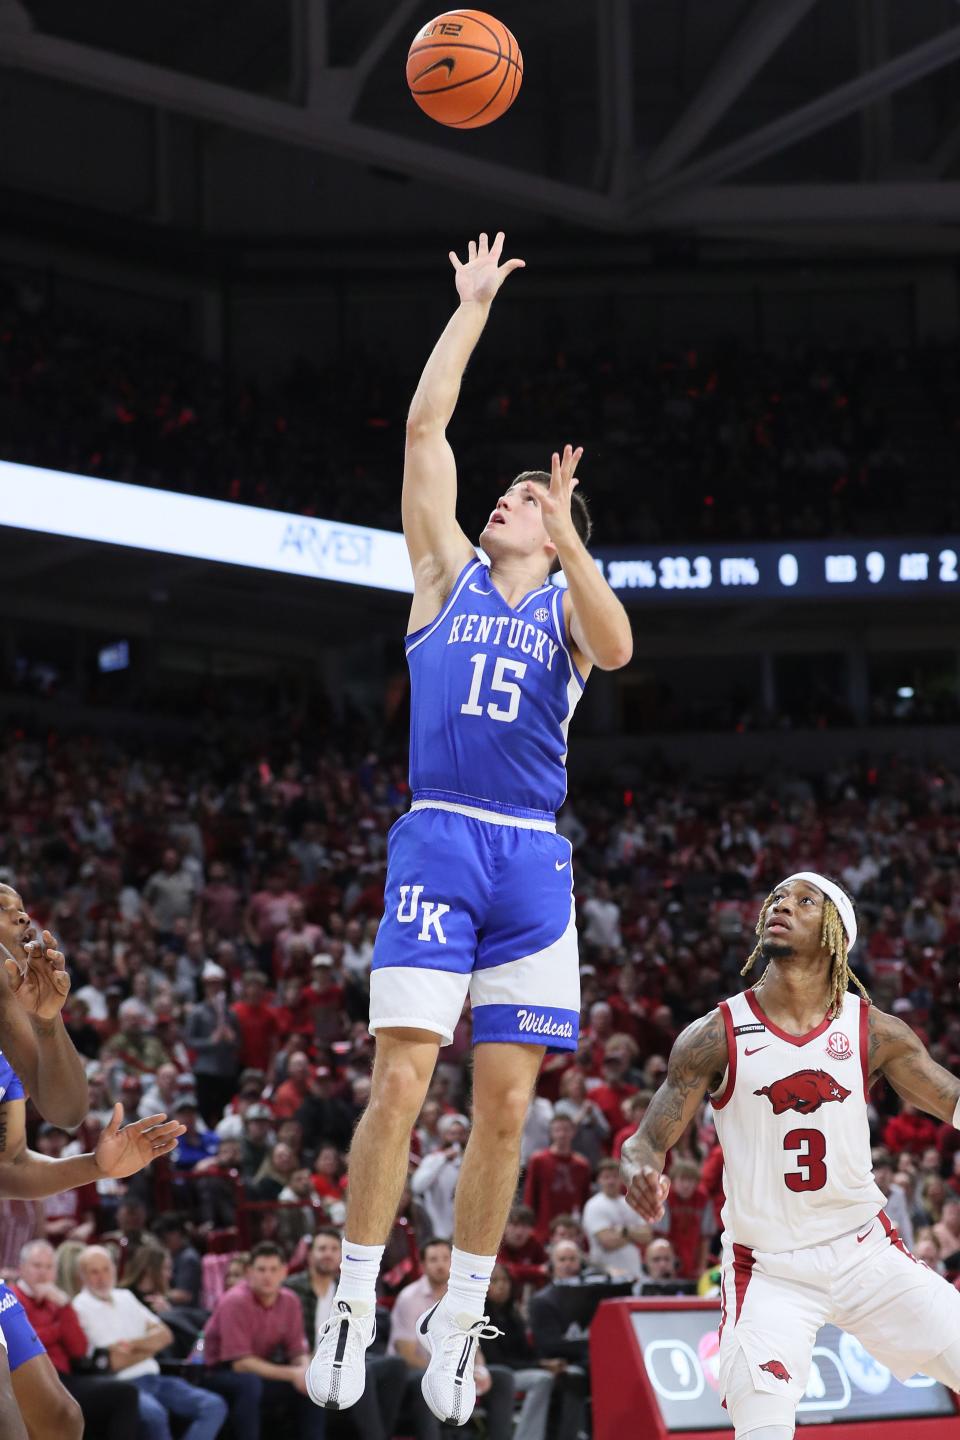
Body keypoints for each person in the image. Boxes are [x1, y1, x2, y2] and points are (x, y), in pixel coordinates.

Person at [308, 230, 632, 1426]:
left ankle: (460, 1317)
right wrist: (474, 308)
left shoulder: (570, 606)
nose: (506, 499)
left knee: (504, 1107)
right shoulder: (441, 574)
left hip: (532, 857)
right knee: (400, 1082)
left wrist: (574, 529)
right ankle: (348, 1296)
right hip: (439, 836)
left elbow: (619, 647)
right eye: (510, 494)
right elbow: (425, 434)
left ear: (553, 536)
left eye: (529, 500)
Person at [622, 871, 960, 1440]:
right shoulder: (716, 1033)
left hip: (866, 1252)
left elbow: (950, 1098)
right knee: (762, 1428)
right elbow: (645, 1141)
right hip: (767, 1268)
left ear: (835, 935)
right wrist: (641, 1171)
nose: (782, 905)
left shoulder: (873, 1031)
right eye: (777, 898)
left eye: (805, 901)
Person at [72, 1246, 228, 1440]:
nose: (102, 1277)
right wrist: (150, 1346)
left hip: (155, 1378)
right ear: (82, 1276)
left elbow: (165, 1335)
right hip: (123, 1385)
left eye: (106, 1269)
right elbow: (114, 1361)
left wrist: (132, 1346)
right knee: (156, 1415)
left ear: (114, 1269)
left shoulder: (125, 1297)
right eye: (94, 1272)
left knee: (213, 1406)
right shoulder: (79, 1307)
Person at [386, 1238, 515, 1440]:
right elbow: (406, 1353)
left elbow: (472, 1343)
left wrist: (478, 1369)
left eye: (446, 1258)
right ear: (422, 1265)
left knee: (502, 1377)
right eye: (434, 1259)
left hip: (457, 1366)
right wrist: (444, 1370)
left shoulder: (464, 1295)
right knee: (426, 1380)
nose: (440, 1264)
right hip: (414, 1370)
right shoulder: (409, 1298)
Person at [12, 1239, 142, 1440]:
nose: (43, 1273)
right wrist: (56, 1331)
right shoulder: (11, 1299)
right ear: (21, 1268)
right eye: (37, 1266)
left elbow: (78, 1349)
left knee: (125, 1393)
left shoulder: (57, 1301)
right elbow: (27, 1342)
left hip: (64, 1377)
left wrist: (64, 1306)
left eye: (49, 1267)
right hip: (32, 1380)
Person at [286, 1230, 406, 1440]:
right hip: (307, 1359)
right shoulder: (292, 1287)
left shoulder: (348, 1287)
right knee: (364, 1372)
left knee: (396, 1365)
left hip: (344, 1354)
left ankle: (382, 1435)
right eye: (322, 1249)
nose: (328, 1254)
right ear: (309, 1255)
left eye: (334, 1249)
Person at [201, 1241, 324, 1440]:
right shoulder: (235, 1301)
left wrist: (305, 1372)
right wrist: (293, 1374)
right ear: (249, 1272)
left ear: (285, 1271)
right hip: (213, 1372)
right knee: (249, 1384)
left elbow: (297, 1351)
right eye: (261, 1269)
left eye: (274, 1269)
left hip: (258, 1370)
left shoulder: (290, 1300)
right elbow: (240, 1364)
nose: (268, 1276)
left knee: (310, 1387)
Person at [484, 1262, 585, 1440]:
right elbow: (496, 1360)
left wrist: (547, 1363)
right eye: (494, 1281)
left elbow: (526, 1351)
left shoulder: (512, 1314)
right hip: (497, 1375)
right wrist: (540, 1365)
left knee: (573, 1373)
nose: (501, 1286)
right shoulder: (479, 1318)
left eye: (505, 1281)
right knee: (542, 1380)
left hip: (520, 1369)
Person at [582, 1157, 649, 1280]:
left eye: (615, 1176)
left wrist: (623, 1231)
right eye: (606, 1177)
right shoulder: (594, 1205)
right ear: (599, 1180)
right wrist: (634, 1236)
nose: (611, 1181)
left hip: (634, 1272)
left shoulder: (631, 1203)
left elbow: (647, 1236)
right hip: (607, 1274)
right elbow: (608, 1242)